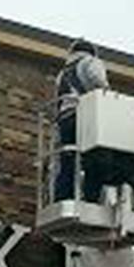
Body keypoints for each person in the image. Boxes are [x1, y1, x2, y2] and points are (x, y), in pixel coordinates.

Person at [50, 38, 109, 202]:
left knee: (68, 160)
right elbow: (100, 84)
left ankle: (63, 197)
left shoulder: (62, 73)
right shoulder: (91, 62)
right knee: (93, 158)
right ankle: (91, 197)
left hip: (64, 118)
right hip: (83, 114)